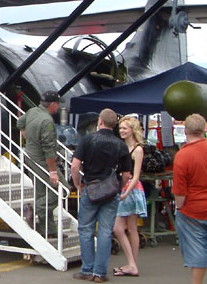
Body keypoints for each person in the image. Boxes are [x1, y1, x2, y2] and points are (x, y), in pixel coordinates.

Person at [71, 108, 131, 282]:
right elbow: (126, 174)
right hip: (110, 192)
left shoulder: (88, 140)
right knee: (105, 232)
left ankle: (87, 270)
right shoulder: (120, 144)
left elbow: (75, 166)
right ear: (114, 125)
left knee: (86, 230)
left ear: (100, 121)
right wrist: (118, 188)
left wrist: (77, 184)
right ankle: (100, 273)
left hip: (90, 188)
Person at [172, 113, 207, 284]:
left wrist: (180, 208)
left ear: (185, 131)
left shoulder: (182, 156)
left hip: (193, 211)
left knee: (197, 254)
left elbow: (180, 192)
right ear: (204, 130)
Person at [16, 90, 61, 237]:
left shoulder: (32, 111)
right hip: (42, 160)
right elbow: (49, 149)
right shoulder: (47, 121)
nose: (59, 107)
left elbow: (19, 123)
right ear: (53, 104)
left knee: (41, 192)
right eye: (58, 104)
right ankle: (34, 209)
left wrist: (29, 139)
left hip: (30, 156)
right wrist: (53, 171)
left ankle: (49, 229)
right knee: (60, 189)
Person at [112, 116, 148, 277]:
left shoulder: (138, 150)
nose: (122, 131)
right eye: (120, 128)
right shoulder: (122, 148)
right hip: (125, 188)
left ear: (132, 129)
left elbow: (136, 175)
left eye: (125, 128)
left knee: (122, 228)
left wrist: (125, 192)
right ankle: (132, 263)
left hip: (131, 190)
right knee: (130, 228)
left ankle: (132, 264)